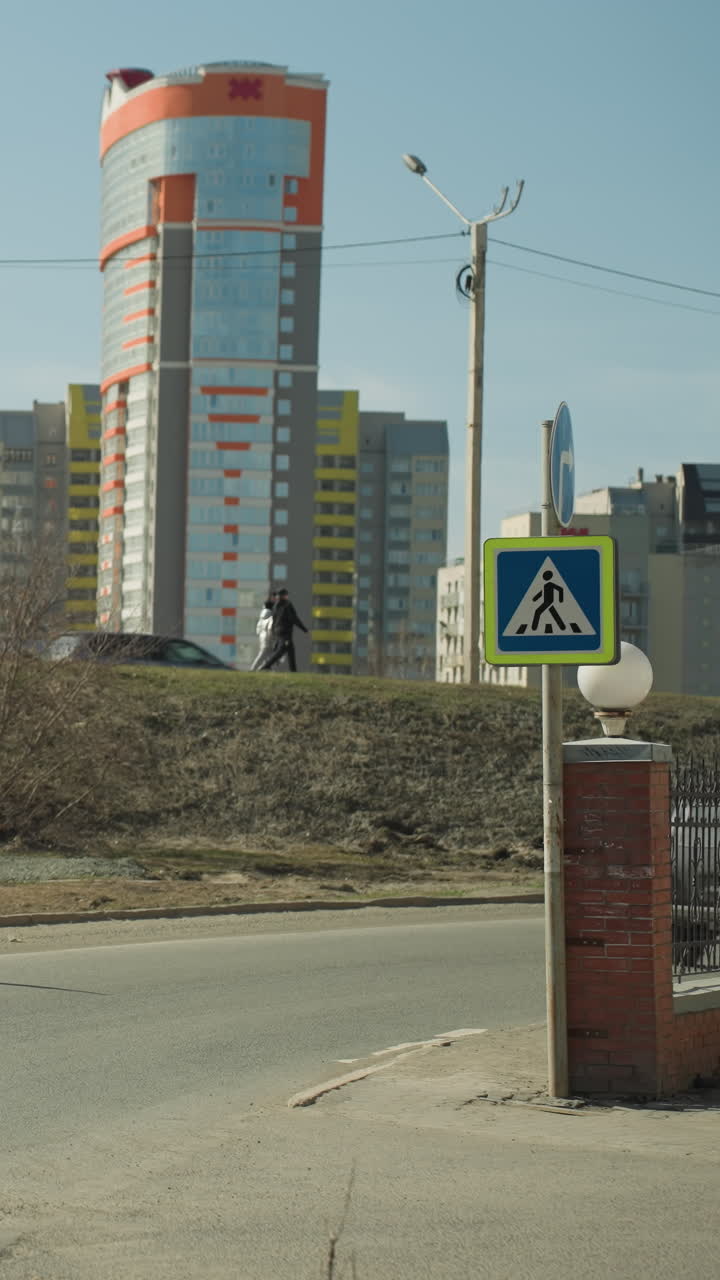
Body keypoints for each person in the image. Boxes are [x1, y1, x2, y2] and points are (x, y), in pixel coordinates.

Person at [259, 587, 308, 672]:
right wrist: (304, 629)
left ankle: (293, 671)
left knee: (290, 650)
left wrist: (274, 631)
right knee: (281, 651)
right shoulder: (287, 605)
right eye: (286, 595)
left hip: (278, 631)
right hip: (285, 632)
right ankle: (266, 665)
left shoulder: (275, 606)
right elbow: (294, 618)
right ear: (284, 596)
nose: (287, 596)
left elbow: (273, 620)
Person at [250, 592, 277, 670]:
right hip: (266, 636)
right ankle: (254, 669)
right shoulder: (268, 611)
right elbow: (267, 625)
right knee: (263, 654)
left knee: (269, 656)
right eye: (275, 597)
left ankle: (265, 669)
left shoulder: (267, 610)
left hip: (265, 635)